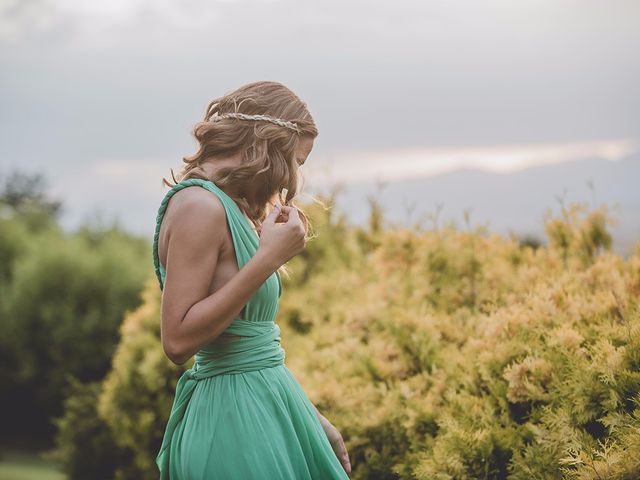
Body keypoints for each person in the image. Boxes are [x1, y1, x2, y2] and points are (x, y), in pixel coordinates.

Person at [151, 80, 351, 479]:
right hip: (230, 422)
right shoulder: (198, 206)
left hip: (267, 408)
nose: (292, 178)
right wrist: (267, 259)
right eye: (296, 161)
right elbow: (177, 339)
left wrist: (310, 419)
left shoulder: (233, 209)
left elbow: (254, 347)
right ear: (268, 146)